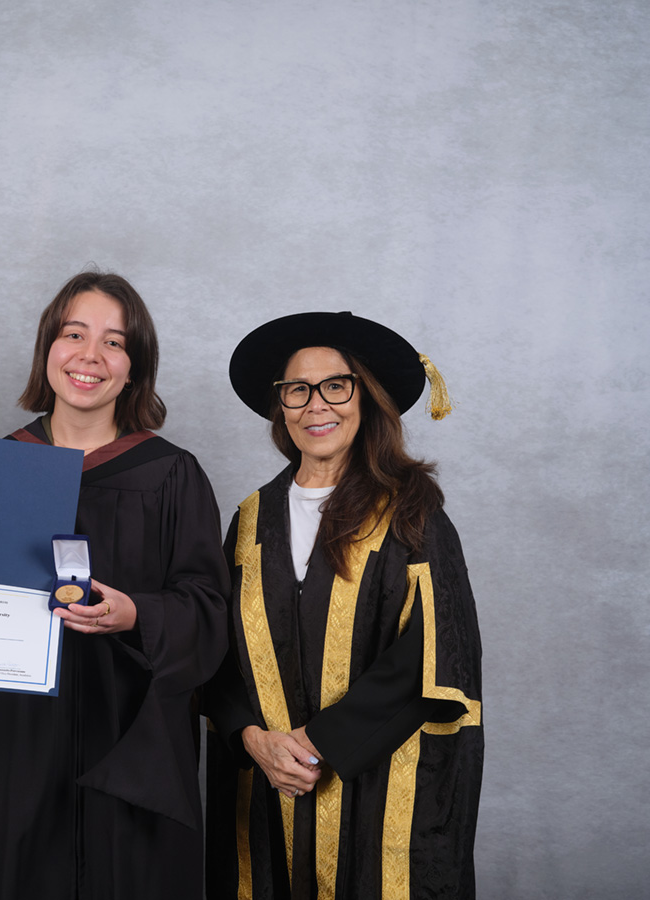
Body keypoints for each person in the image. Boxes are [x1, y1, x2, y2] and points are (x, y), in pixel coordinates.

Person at [0, 272, 229, 900]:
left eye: (114, 342)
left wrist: (136, 615)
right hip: (15, 745)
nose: (90, 355)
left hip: (130, 746)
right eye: (74, 334)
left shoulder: (171, 475)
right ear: (49, 350)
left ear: (135, 367)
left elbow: (209, 612)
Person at [204, 311, 484, 899]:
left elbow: (432, 656)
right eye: (297, 390)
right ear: (280, 405)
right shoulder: (252, 520)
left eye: (336, 385)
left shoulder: (413, 516)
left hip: (378, 787)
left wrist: (317, 744)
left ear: (367, 397)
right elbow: (216, 644)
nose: (316, 405)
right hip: (269, 783)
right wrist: (252, 738)